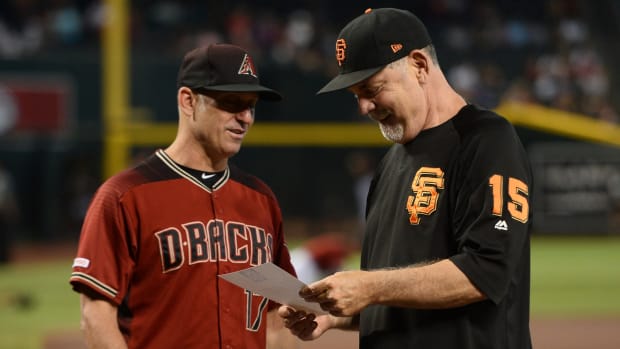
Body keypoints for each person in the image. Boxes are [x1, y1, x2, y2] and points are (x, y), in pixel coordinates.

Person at [280, 8, 533, 349]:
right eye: (356, 95)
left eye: (371, 88)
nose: (364, 107)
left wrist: (369, 287)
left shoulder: (486, 141)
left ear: (418, 65)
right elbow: (399, 293)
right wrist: (334, 314)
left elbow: (486, 271)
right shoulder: (390, 165)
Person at [70, 43, 299, 349]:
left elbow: (276, 315)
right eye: (232, 102)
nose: (245, 117)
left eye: (251, 105)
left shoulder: (260, 199)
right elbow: (96, 316)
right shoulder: (125, 195)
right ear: (188, 101)